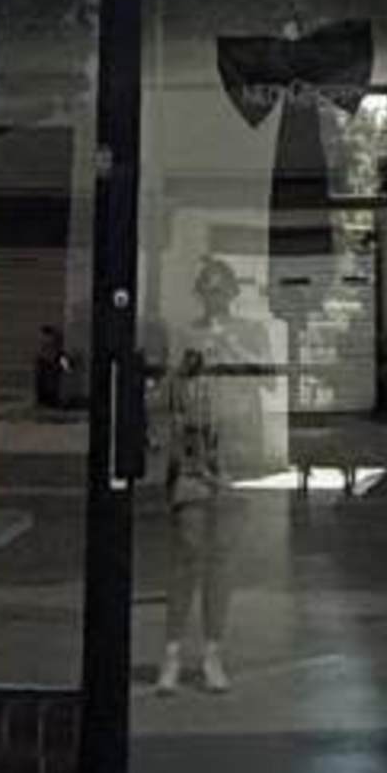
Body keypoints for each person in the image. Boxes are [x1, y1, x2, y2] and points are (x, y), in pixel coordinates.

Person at [155, 253, 262, 693]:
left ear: (233, 294)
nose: (214, 297)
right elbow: (164, 394)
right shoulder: (186, 333)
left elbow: (269, 380)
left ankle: (213, 652)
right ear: (200, 293)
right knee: (188, 551)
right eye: (207, 289)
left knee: (222, 558)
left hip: (234, 452)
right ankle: (172, 652)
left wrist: (233, 351)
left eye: (221, 289)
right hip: (195, 452)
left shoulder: (250, 333)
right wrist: (182, 371)